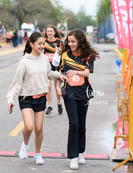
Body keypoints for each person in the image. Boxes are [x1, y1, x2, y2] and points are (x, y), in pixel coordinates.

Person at [7, 32, 67, 165]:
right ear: (31, 44)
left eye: (43, 44)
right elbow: (16, 83)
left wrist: (59, 75)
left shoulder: (44, 58)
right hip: (26, 98)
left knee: (39, 128)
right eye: (39, 44)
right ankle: (25, 145)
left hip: (41, 97)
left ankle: (38, 154)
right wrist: (10, 99)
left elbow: (49, 73)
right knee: (29, 127)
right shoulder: (24, 61)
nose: (42, 46)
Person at [59, 29, 99, 170]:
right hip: (69, 92)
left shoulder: (88, 55)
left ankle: (81, 152)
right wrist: (60, 78)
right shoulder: (64, 55)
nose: (70, 44)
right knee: (74, 124)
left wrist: (76, 72)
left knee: (82, 124)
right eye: (68, 41)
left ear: (80, 41)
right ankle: (73, 156)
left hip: (84, 92)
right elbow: (59, 70)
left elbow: (87, 72)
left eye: (73, 41)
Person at [43, 25, 63, 115]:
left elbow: (63, 55)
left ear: (55, 32)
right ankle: (50, 106)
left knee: (56, 87)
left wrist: (61, 69)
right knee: (48, 86)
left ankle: (59, 104)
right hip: (47, 66)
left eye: (51, 31)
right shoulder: (44, 42)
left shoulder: (59, 42)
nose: (49, 33)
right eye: (48, 31)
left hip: (57, 67)